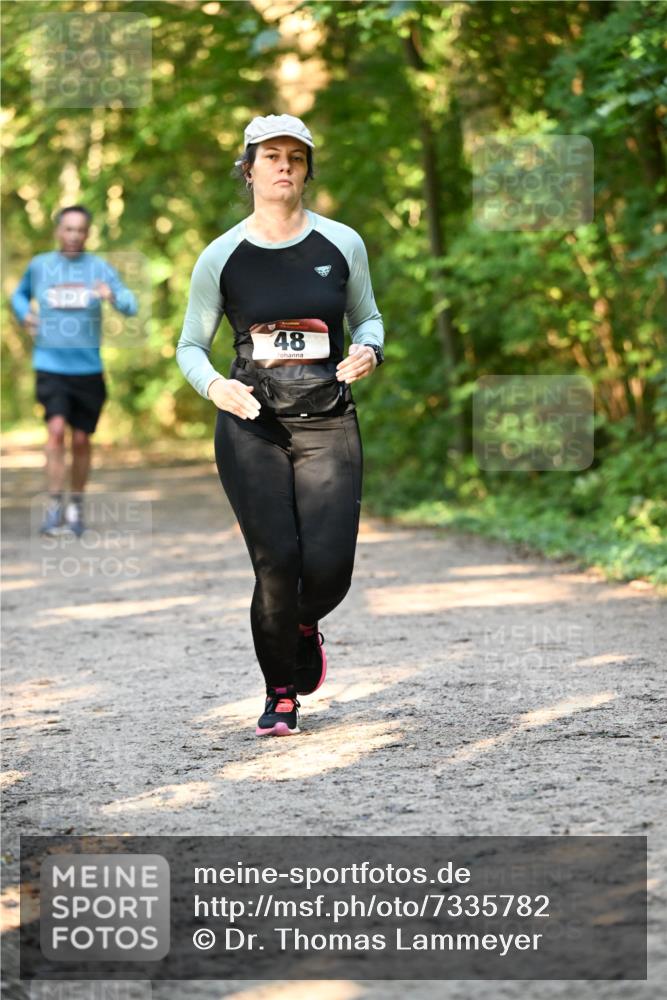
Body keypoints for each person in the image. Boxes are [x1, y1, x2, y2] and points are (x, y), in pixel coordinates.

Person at [176, 114, 385, 737]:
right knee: (276, 561)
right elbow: (190, 346)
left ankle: (302, 623)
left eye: (296, 156)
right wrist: (215, 385)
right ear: (249, 170)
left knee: (329, 571)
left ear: (307, 169)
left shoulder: (342, 244)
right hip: (252, 424)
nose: (284, 165)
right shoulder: (221, 255)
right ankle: (281, 695)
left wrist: (370, 349)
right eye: (271, 156)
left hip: (327, 421)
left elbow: (368, 318)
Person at [11, 205, 138, 536]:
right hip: (50, 365)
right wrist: (25, 314)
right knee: (55, 431)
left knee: (81, 440)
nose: (73, 235)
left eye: (80, 230)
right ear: (58, 231)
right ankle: (54, 506)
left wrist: (112, 296)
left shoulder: (99, 268)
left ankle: (75, 506)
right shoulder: (40, 266)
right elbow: (18, 295)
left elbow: (131, 304)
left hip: (88, 368)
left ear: (87, 233)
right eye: (68, 229)